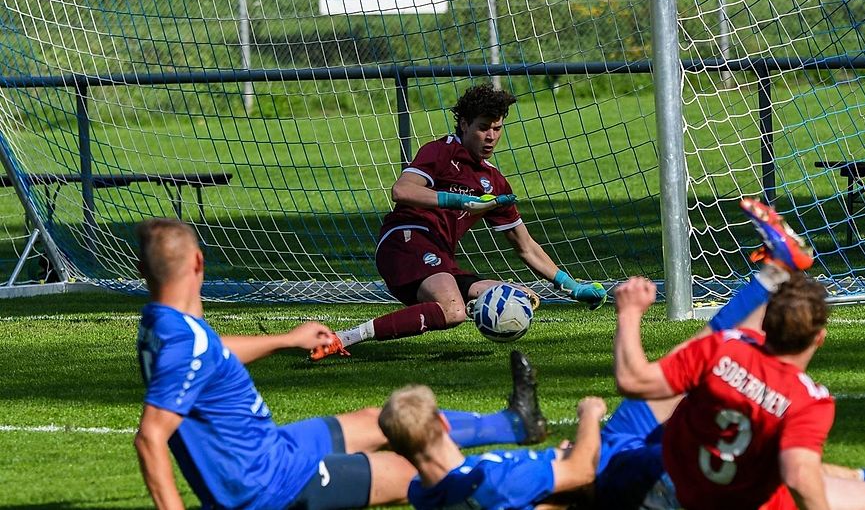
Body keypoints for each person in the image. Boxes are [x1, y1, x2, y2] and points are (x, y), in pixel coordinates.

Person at [133, 218, 550, 510]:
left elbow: (210, 349)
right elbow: (151, 437)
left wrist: (285, 340)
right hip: (268, 485)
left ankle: (515, 423)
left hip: (274, 450)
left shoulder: (161, 324)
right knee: (418, 471)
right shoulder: (180, 343)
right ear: (199, 263)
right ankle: (549, 480)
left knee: (379, 420)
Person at [606, 199, 865, 509]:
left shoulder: (725, 349)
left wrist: (630, 311)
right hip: (716, 493)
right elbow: (800, 474)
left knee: (615, 447)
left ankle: (775, 273)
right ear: (820, 338)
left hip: (669, 483)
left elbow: (635, 379)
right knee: (788, 473)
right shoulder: (809, 400)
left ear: (766, 323)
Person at [312, 83, 606, 359]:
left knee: (516, 297)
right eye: (482, 128)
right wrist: (459, 201)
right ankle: (342, 338)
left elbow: (525, 246)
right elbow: (401, 190)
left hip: (440, 257)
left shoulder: (494, 183)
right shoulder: (441, 151)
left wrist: (571, 286)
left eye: (497, 128)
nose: (490, 136)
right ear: (464, 124)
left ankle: (477, 302)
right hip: (405, 241)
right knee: (454, 311)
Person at [378, 355, 606, 510]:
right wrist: (590, 414)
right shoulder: (490, 478)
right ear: (444, 423)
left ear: (396, 449)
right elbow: (582, 471)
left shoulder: (421, 493)